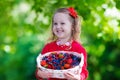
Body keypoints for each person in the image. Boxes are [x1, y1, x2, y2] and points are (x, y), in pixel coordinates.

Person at [36, 7, 88, 80]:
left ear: (72, 26)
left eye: (62, 23)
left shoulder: (79, 49)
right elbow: (39, 69)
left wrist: (78, 77)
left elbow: (83, 72)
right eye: (55, 23)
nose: (58, 27)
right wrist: (40, 74)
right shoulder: (48, 48)